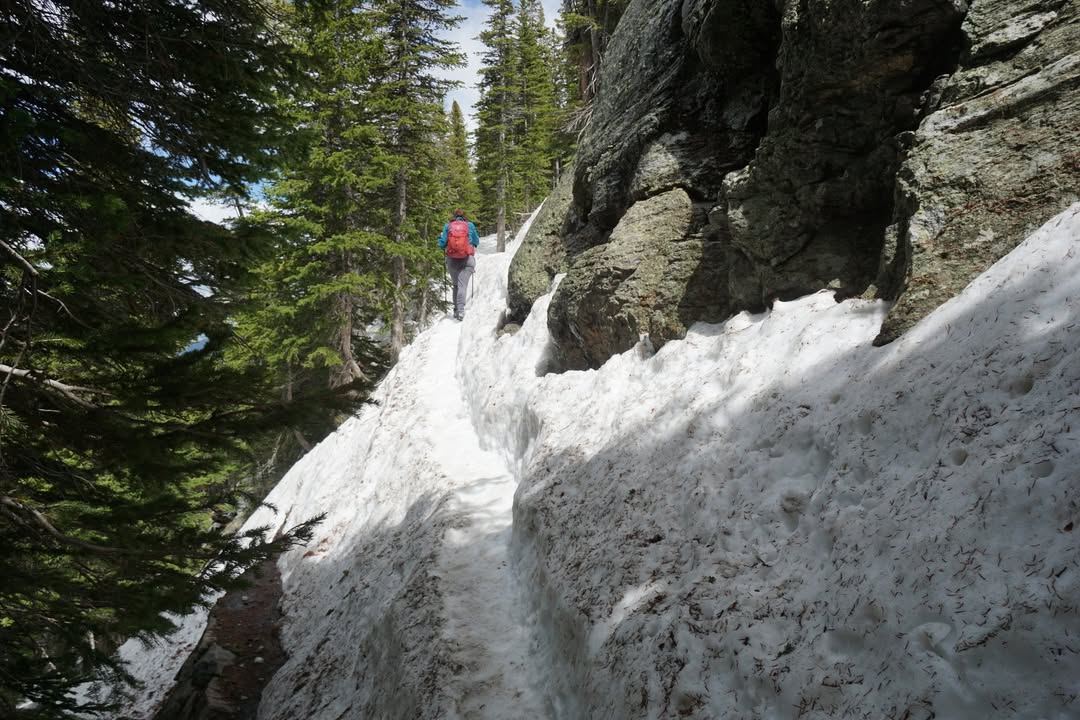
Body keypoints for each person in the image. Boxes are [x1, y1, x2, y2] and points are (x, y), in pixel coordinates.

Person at [438, 208, 481, 321]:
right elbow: (477, 241)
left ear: (454, 216)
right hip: (467, 259)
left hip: (452, 260)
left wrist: (440, 238)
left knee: (456, 285)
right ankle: (461, 312)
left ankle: (457, 310)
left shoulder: (448, 226)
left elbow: (442, 244)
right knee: (463, 285)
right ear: (464, 216)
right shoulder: (470, 225)